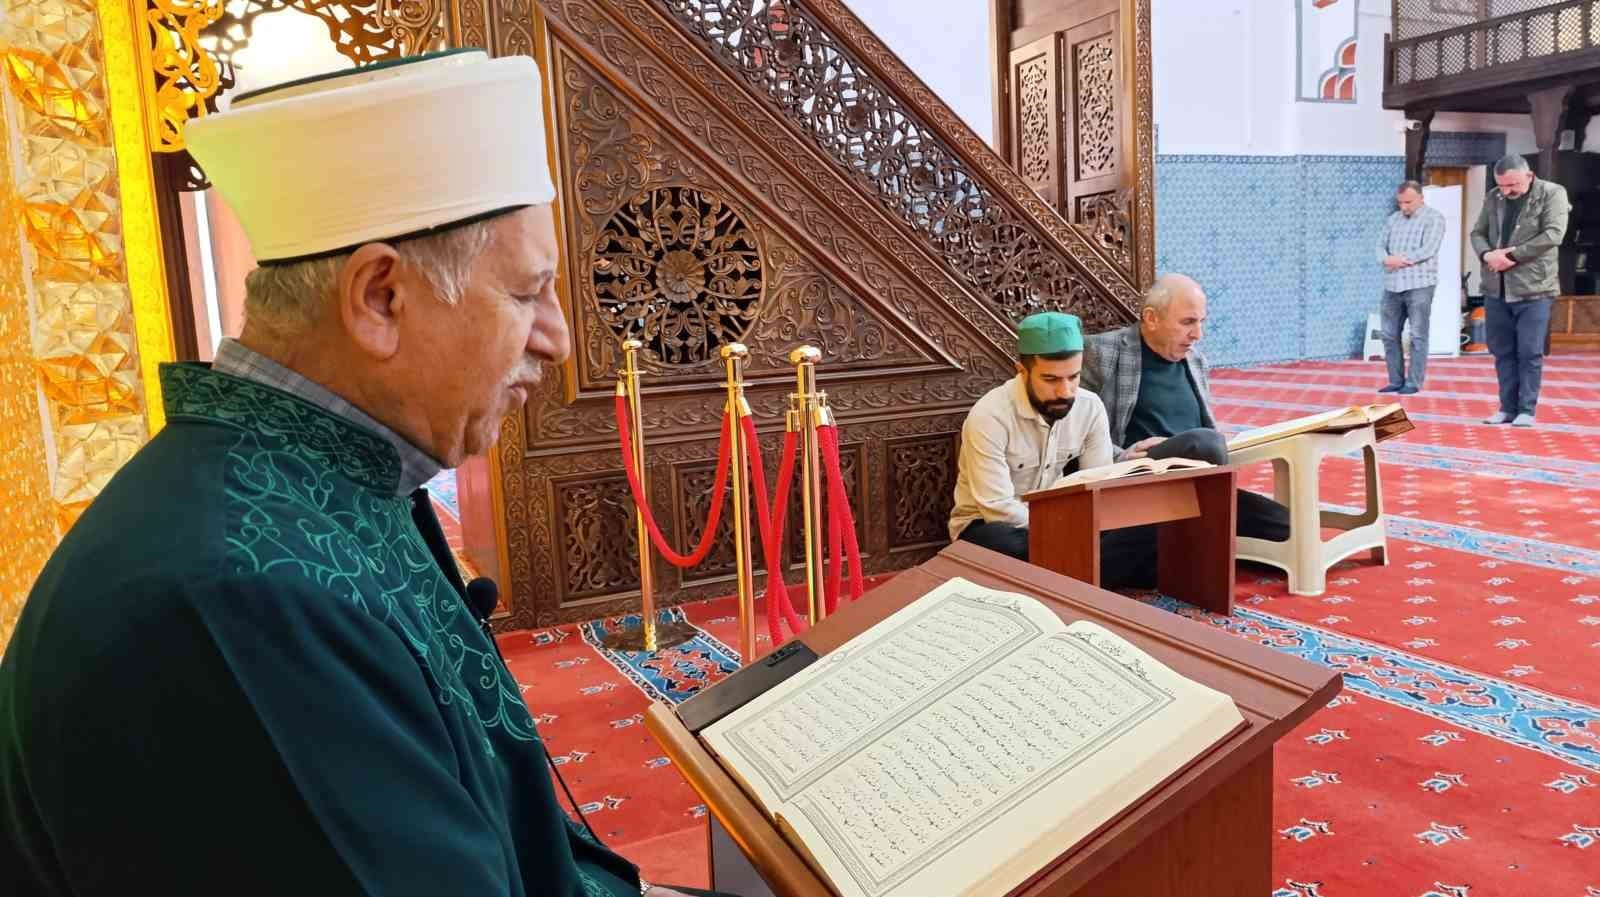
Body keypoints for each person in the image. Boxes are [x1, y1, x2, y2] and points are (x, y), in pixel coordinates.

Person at [0, 50, 705, 897]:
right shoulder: (238, 602)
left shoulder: (335, 482)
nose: (555, 338)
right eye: (527, 294)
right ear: (379, 297)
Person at [950, 312, 1165, 587]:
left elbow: (1098, 486)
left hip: (1064, 524)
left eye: (1073, 377)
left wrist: (1079, 529)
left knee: (1149, 529)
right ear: (1022, 371)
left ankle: (1062, 576)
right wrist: (1068, 532)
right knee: (999, 543)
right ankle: (1092, 572)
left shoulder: (1089, 407)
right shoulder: (989, 416)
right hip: (994, 527)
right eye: (1051, 380)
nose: (1065, 391)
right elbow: (998, 509)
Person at [1081, 273, 1289, 544]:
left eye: (1201, 322)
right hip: (1141, 476)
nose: (1197, 334)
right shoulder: (1103, 352)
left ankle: (1192, 533)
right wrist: (1122, 455)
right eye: (1188, 322)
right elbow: (1074, 429)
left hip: (1197, 484)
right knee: (1205, 442)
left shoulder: (1196, 361)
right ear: (1152, 318)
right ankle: (1200, 538)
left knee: (1289, 526)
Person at [1470, 153, 1570, 428]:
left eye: (1512, 184)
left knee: (1529, 351)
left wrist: (1511, 256)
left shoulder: (1552, 193)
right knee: (1502, 351)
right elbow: (1477, 233)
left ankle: (1526, 409)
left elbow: (1553, 234)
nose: (1507, 191)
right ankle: (1506, 408)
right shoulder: (1494, 197)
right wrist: (1488, 254)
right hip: (1496, 287)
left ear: (1528, 175)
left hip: (1534, 288)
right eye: (1501, 185)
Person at [1375, 180, 1447, 394]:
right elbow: (1380, 246)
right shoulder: (1393, 219)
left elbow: (1429, 249)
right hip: (1392, 285)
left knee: (1417, 335)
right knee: (1389, 334)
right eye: (1400, 203)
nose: (1403, 207)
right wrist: (1385, 259)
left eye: (1408, 202)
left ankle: (1413, 383)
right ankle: (1395, 380)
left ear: (1421, 198)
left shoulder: (1434, 218)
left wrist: (1398, 260)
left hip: (1420, 284)